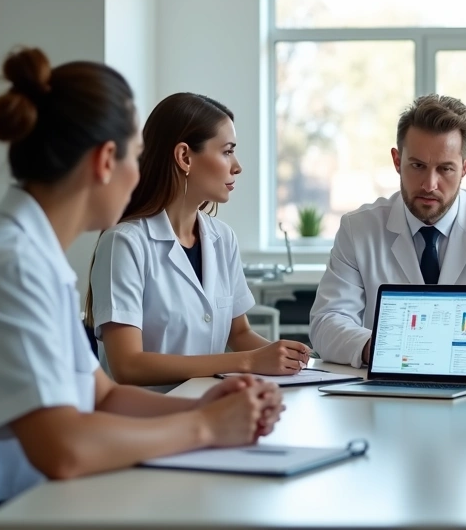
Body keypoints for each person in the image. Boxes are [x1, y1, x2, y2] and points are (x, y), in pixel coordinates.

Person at [0, 49, 284, 520]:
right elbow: (64, 450)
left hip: (17, 499)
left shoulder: (33, 256)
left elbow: (104, 396)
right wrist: (205, 429)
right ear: (105, 161)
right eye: (136, 156)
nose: (140, 173)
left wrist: (203, 408)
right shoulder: (9, 267)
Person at [88, 93, 311, 389]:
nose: (237, 166)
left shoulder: (222, 238)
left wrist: (293, 361)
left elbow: (239, 334)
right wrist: (248, 362)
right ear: (184, 157)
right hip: (145, 420)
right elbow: (128, 365)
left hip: (208, 408)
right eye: (227, 152)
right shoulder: (125, 244)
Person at [309, 94, 466, 367]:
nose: (430, 184)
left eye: (445, 169)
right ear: (397, 161)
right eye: (417, 166)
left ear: (465, 167)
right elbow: (326, 323)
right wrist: (380, 349)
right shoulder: (358, 228)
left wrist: (405, 348)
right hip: (382, 396)